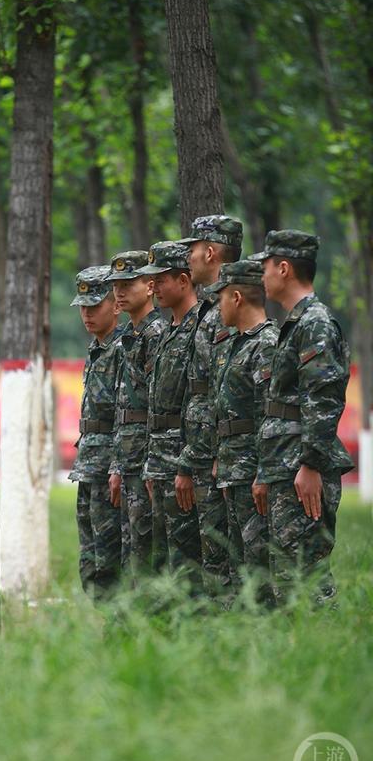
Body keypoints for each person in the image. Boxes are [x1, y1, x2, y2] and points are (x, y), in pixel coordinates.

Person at [249, 231, 353, 604]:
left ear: (284, 267)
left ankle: (324, 648)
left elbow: (323, 400)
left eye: (265, 267)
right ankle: (300, 649)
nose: (261, 276)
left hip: (302, 467)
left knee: (308, 580)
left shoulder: (315, 324)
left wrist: (310, 464)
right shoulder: (296, 324)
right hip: (284, 463)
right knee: (287, 580)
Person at [175, 214, 243, 597]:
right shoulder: (209, 309)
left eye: (193, 249)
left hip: (219, 458)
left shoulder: (228, 311)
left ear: (211, 252)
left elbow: (224, 392)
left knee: (225, 562)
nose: (188, 257)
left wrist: (205, 455)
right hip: (205, 455)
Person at [207, 260, 278, 604]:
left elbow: (268, 415)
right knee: (238, 565)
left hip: (253, 473)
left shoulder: (265, 343)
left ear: (236, 297)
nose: (217, 305)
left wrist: (264, 472)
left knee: (257, 565)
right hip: (234, 470)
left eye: (220, 298)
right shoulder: (237, 343)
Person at [141, 241, 203, 591]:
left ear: (183, 280)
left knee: (187, 561)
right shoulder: (167, 332)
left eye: (160, 280)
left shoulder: (199, 330)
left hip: (182, 460)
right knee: (163, 559)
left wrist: (187, 465)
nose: (153, 287)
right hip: (160, 462)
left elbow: (198, 404)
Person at [106, 251, 167, 580]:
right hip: (128, 460)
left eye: (129, 283)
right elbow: (123, 408)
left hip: (147, 459)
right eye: (116, 285)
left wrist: (150, 465)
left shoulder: (156, 334)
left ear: (149, 286)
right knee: (131, 549)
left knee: (147, 550)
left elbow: (157, 406)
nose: (120, 291)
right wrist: (117, 463)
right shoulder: (127, 337)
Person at [69, 266, 124, 600]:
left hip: (109, 468)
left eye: (95, 306)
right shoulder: (96, 350)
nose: (87, 314)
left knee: (109, 556)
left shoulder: (124, 348)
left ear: (115, 305)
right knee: (90, 556)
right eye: (83, 307)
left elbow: (126, 415)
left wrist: (117, 465)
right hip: (89, 465)